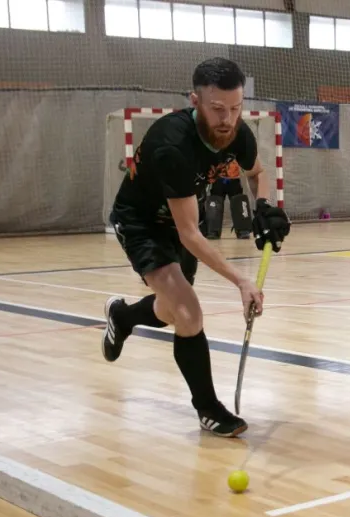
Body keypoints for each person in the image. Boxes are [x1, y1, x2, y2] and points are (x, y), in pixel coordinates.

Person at [101, 57, 290, 437]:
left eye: (235, 108)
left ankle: (123, 316)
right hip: (142, 223)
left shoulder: (238, 134)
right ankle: (208, 409)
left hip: (183, 217)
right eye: (217, 109)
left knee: (173, 310)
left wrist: (264, 206)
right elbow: (190, 234)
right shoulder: (173, 145)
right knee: (189, 313)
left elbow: (258, 173)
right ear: (195, 101)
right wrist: (241, 281)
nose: (227, 119)